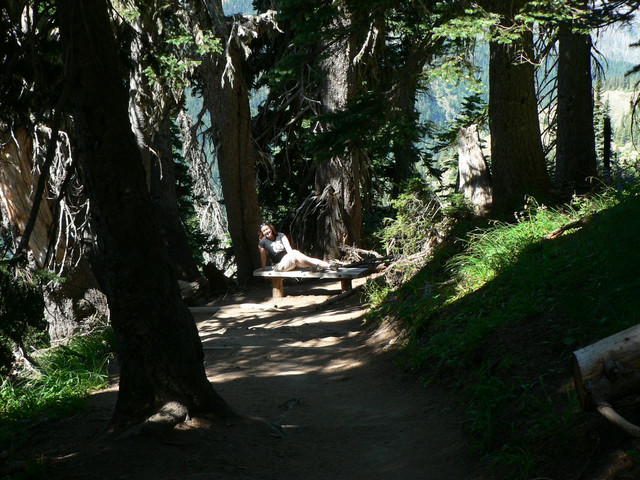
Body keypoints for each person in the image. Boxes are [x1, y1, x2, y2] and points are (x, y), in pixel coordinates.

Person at [258, 222, 335, 272]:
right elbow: (263, 256)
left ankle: (330, 266)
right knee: (295, 252)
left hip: (291, 260)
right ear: (262, 233)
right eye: (264, 231)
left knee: (306, 258)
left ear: (271, 228)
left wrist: (292, 257)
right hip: (279, 266)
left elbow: (288, 248)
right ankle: (316, 267)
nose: (266, 232)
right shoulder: (262, 242)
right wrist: (263, 267)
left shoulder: (280, 235)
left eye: (267, 229)